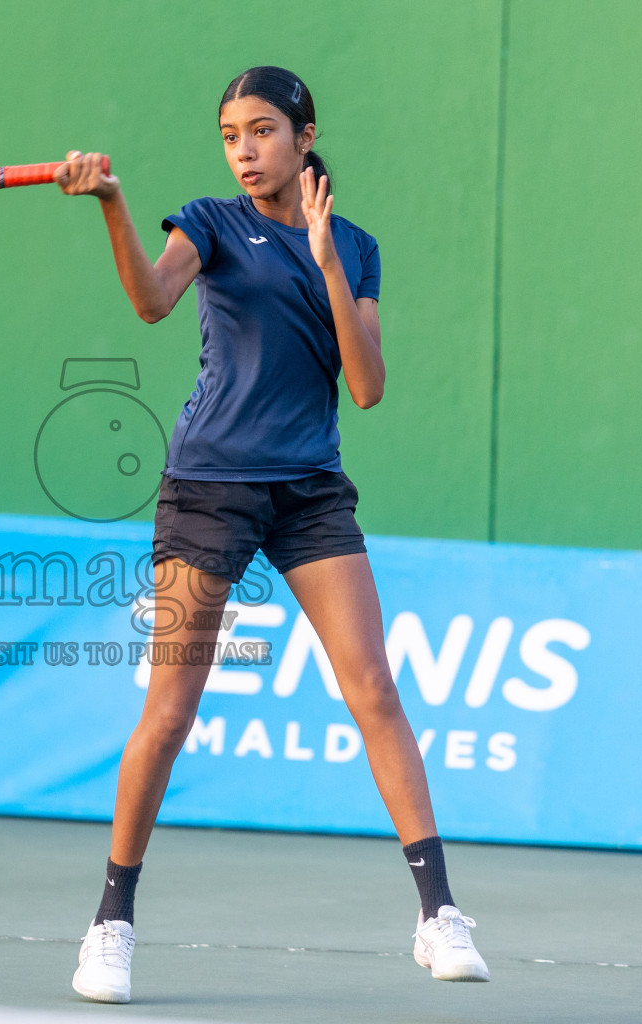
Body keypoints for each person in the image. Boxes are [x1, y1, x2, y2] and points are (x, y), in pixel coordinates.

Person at [53, 65, 490, 1003]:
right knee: (168, 715)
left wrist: (328, 261)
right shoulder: (207, 223)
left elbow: (366, 387)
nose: (244, 151)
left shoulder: (358, 247)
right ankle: (110, 926)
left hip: (309, 492)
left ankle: (439, 915)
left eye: (261, 132)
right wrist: (115, 206)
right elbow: (150, 301)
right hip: (207, 488)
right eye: (229, 136)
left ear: (304, 135)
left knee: (372, 685)